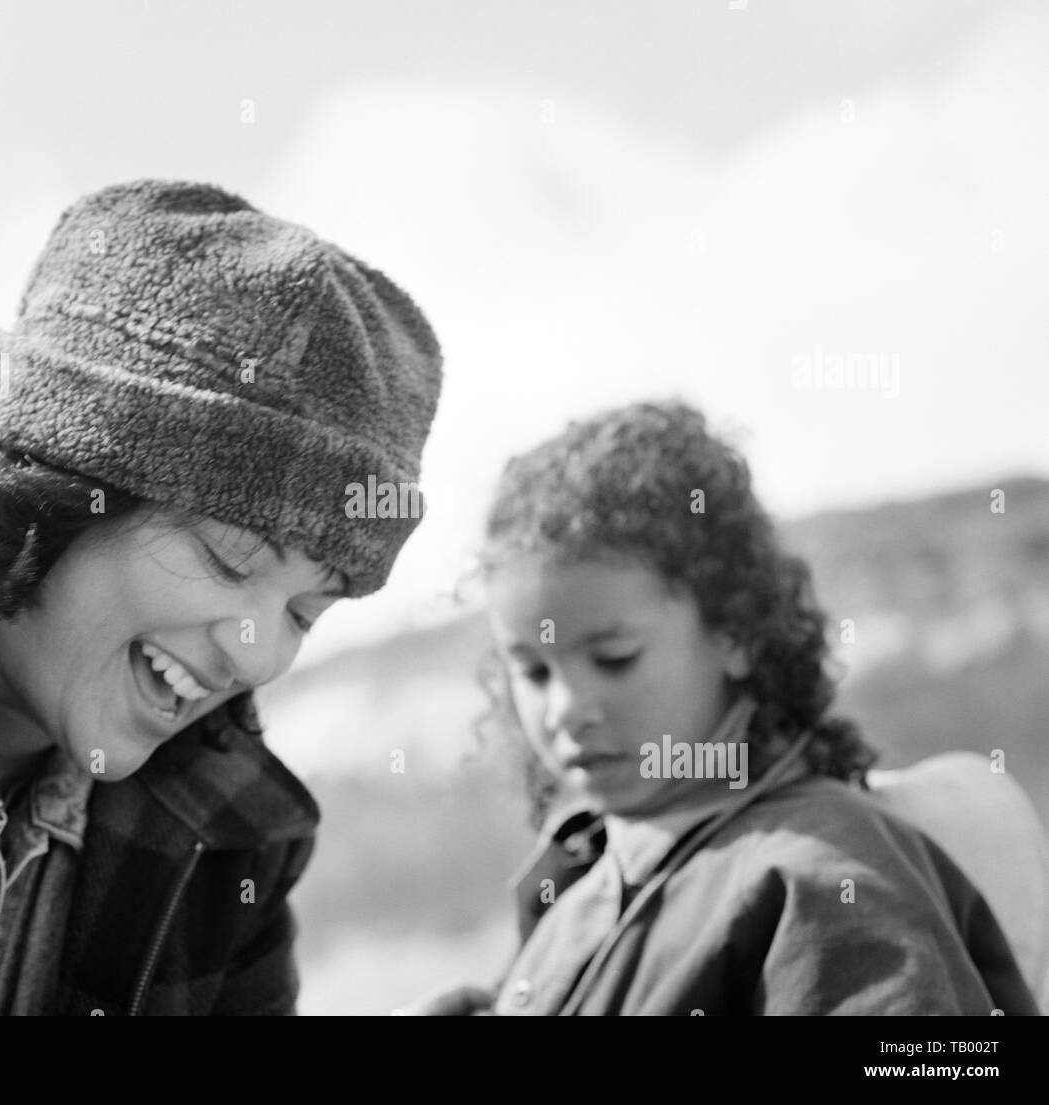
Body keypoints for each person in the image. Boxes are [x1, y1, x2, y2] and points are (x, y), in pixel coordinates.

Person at [0, 180, 442, 1015]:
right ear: (57, 483)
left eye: (306, 612)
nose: (258, 655)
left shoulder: (237, 836)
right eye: (229, 559)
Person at [412, 400, 1036, 1015]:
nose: (567, 710)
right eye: (533, 671)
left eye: (615, 659)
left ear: (734, 633)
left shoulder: (819, 875)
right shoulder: (590, 872)